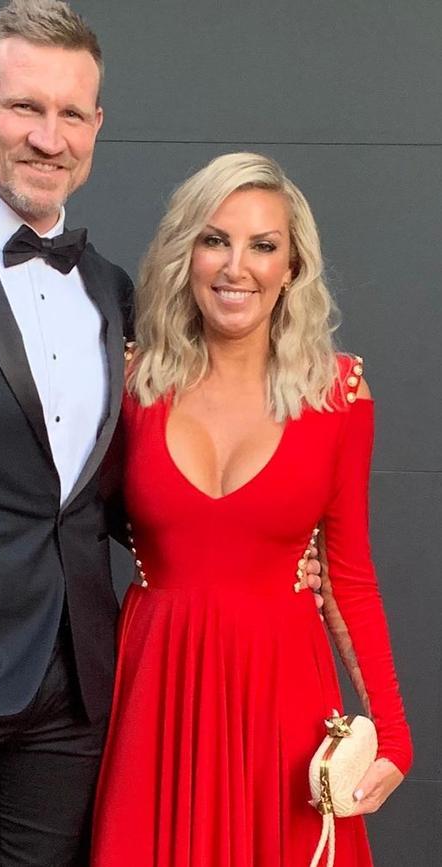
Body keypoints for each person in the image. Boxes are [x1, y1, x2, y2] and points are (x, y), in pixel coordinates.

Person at [0, 3, 323, 864]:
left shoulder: (113, 291)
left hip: (79, 702)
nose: (49, 137)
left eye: (71, 113)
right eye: (23, 107)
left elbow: (129, 484)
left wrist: (258, 533)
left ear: (97, 126)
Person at [90, 152, 413, 866]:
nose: (237, 266)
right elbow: (56, 512)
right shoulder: (132, 381)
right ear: (187, 254)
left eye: (263, 245)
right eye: (216, 239)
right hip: (158, 696)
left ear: (291, 266)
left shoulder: (339, 392)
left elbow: (350, 576)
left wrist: (392, 732)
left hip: (285, 705)